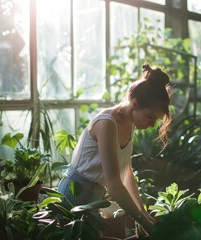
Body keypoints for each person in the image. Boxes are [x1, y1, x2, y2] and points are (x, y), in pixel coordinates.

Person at [57, 63, 173, 234]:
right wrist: (145, 223)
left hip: (94, 195)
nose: (151, 124)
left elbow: (126, 172)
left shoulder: (130, 122)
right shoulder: (107, 123)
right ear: (134, 103)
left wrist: (143, 213)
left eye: (155, 120)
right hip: (75, 193)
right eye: (150, 117)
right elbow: (114, 184)